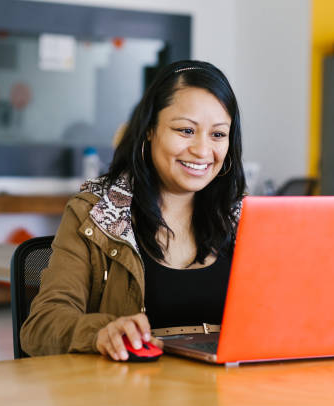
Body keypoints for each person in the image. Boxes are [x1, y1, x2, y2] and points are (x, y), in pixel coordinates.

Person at [20, 60, 246, 360]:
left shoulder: (243, 219)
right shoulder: (97, 212)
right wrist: (101, 332)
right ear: (150, 130)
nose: (203, 151)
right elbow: (41, 326)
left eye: (218, 135)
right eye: (186, 130)